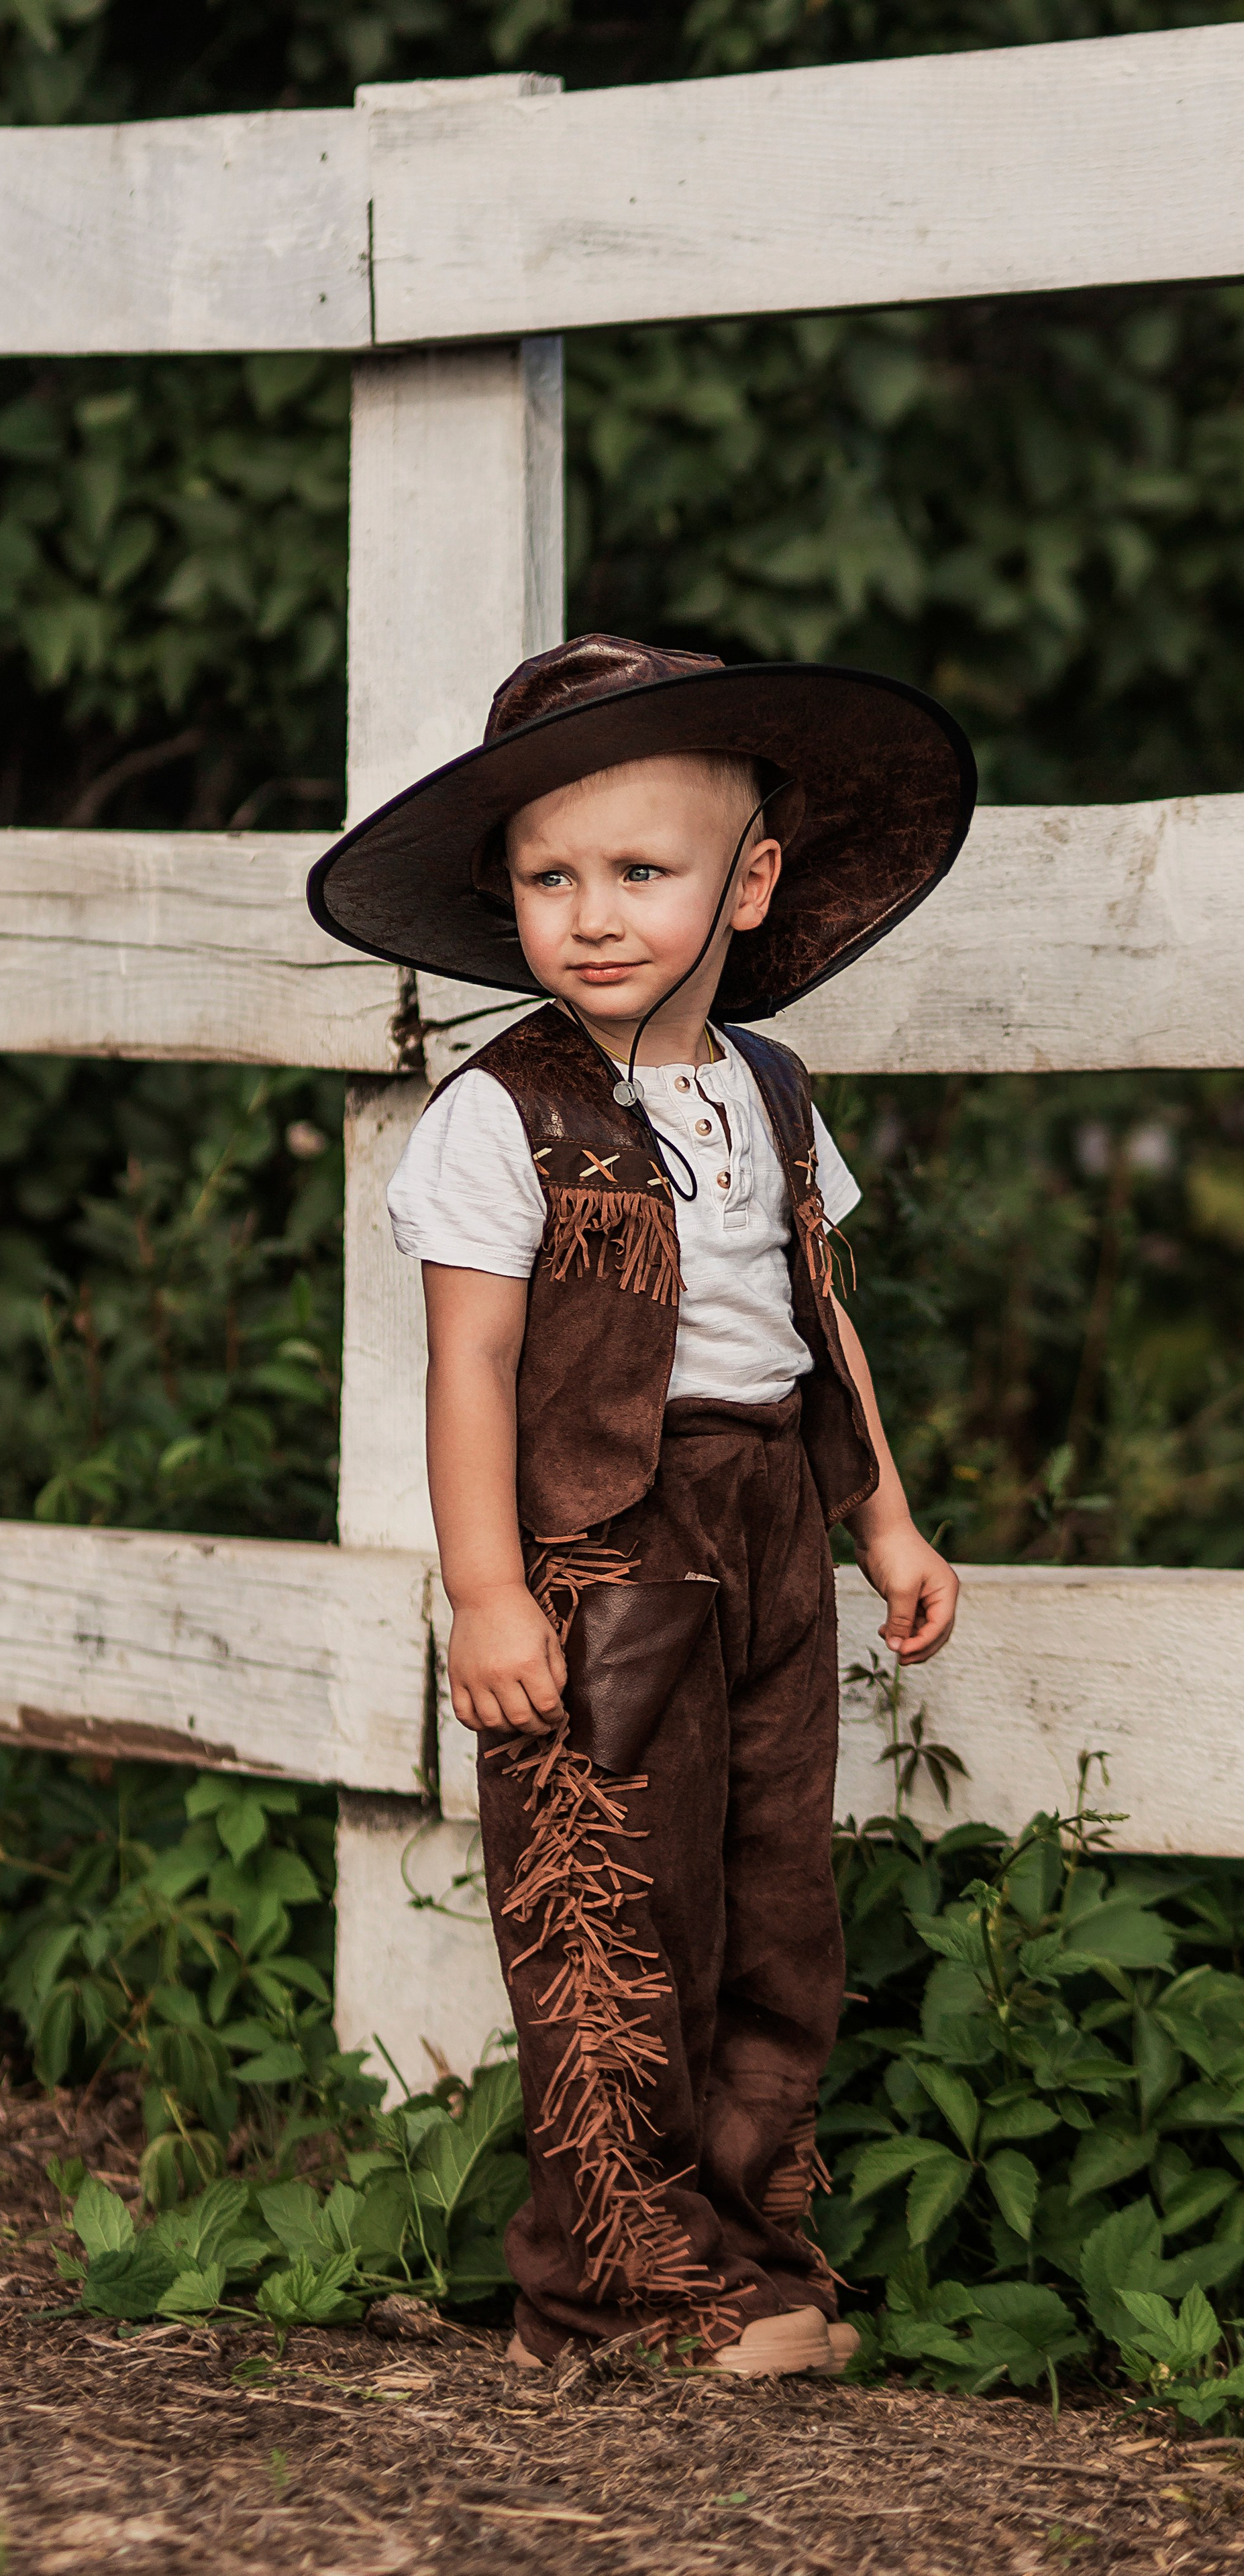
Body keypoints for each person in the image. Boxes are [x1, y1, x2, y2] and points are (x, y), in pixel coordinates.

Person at [309, 635, 974, 2376]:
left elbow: (821, 1312)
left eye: (642, 872)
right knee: (617, 1902)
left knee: (773, 1900)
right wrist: (490, 1593)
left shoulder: (768, 1091)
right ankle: (611, 2290)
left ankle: (756, 2257)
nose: (595, 914)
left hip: (768, 1519)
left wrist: (884, 1518)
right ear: (503, 892)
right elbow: (470, 1368)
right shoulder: (499, 1118)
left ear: (749, 882)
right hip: (606, 1555)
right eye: (551, 878)